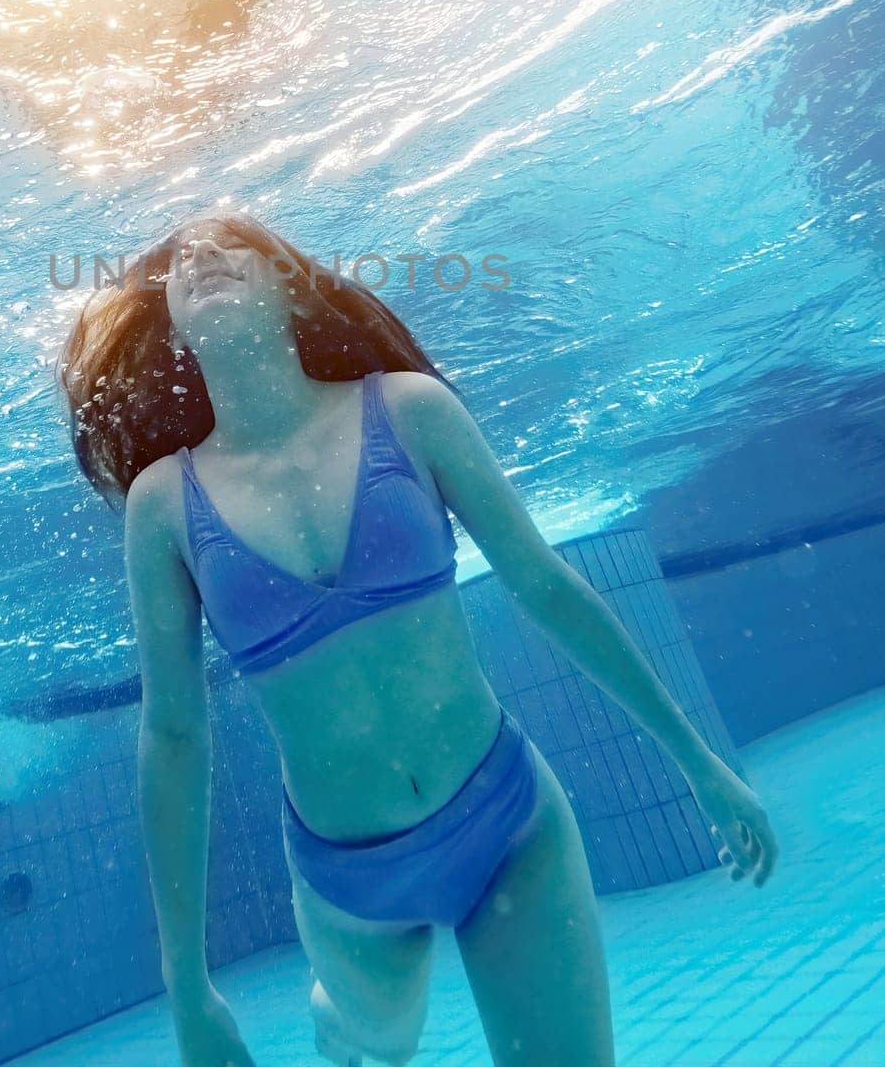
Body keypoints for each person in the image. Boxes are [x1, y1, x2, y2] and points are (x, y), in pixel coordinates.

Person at [57, 214, 778, 1067]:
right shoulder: (163, 504)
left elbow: (547, 588)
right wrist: (189, 989)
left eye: (231, 243)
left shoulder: (408, 410)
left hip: (508, 822)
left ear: (289, 285)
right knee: (374, 1046)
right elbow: (174, 734)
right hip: (348, 885)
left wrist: (700, 764)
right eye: (180, 260)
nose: (202, 255)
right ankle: (339, 1009)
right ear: (173, 323)